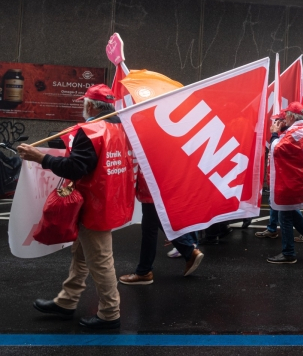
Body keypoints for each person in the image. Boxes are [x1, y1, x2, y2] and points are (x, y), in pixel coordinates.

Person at [18, 84, 135, 329]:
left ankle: (110, 313)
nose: (83, 107)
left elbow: (75, 168)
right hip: (109, 200)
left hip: (93, 205)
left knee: (101, 260)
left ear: (91, 105)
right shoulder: (122, 128)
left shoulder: (90, 130)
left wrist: (41, 158)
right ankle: (66, 301)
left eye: (84, 103)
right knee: (81, 255)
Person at [118, 172, 204, 285]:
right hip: (158, 182)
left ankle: (145, 271)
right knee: (153, 224)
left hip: (150, 184)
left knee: (151, 227)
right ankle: (145, 270)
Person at [267, 102, 303, 264]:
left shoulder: (296, 132)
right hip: (295, 177)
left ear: (292, 116)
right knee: (288, 211)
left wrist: (274, 134)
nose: (284, 117)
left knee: (284, 213)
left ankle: (289, 253)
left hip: (291, 179)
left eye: (286, 115)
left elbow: (277, 150)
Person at [255, 112, 286, 239]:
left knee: (289, 212)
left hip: (281, 179)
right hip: (275, 177)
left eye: (277, 121)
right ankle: (272, 228)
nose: (274, 124)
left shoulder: (284, 137)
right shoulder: (280, 136)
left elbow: (277, 151)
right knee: (274, 203)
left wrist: (274, 134)